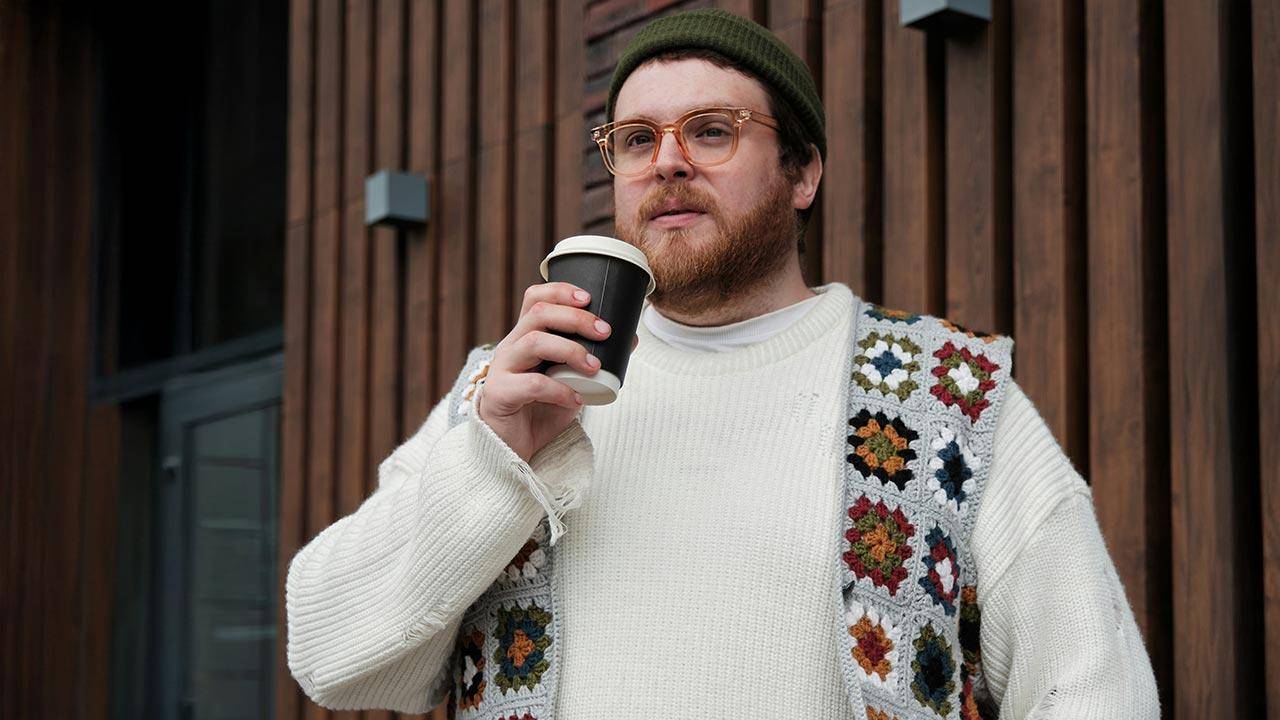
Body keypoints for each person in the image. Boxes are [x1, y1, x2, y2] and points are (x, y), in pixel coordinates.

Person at [285, 8, 1159, 719]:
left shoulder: (946, 393)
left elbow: (1092, 689)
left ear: (803, 170)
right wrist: (494, 458)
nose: (666, 161)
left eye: (711, 131)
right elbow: (334, 661)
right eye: (634, 139)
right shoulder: (513, 386)